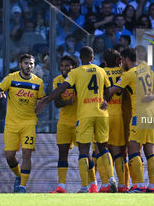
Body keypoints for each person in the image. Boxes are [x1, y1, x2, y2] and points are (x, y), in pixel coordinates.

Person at [36, 46, 116, 193]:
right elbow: (109, 90)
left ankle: (87, 186)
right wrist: (106, 100)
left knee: (84, 152)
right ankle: (111, 180)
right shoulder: (101, 70)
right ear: (92, 58)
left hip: (84, 115)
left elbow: (61, 89)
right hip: (101, 114)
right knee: (103, 148)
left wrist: (44, 101)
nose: (64, 68)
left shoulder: (76, 73)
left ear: (80, 59)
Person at [106, 48, 154, 193]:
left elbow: (112, 91)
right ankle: (153, 186)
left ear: (126, 59)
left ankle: (138, 185)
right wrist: (153, 96)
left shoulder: (129, 74)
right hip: (152, 114)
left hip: (138, 115)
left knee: (133, 149)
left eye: (122, 60)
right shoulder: (146, 69)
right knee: (150, 151)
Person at [0, 54, 45, 193]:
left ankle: (22, 187)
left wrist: (40, 105)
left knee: (27, 153)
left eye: (31, 64)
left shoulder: (38, 82)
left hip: (29, 123)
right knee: (9, 156)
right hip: (11, 124)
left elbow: (41, 100)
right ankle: (18, 175)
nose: (29, 66)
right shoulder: (11, 78)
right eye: (26, 63)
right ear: (20, 65)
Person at [50, 55, 98, 193]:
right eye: (62, 65)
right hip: (64, 123)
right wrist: (67, 102)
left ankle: (93, 184)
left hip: (80, 122)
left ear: (74, 67)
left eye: (67, 66)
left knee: (85, 153)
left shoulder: (79, 79)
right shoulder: (57, 81)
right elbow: (57, 102)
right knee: (62, 153)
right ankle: (62, 186)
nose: (64, 68)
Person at [102, 49, 127, 192]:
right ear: (118, 61)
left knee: (102, 150)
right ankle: (123, 185)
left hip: (103, 113)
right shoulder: (123, 73)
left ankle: (106, 184)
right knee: (118, 152)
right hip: (118, 114)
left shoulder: (100, 72)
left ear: (104, 61)